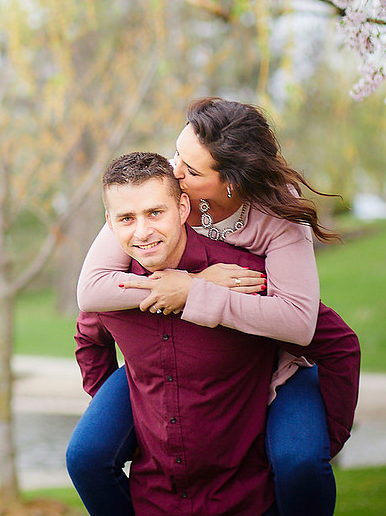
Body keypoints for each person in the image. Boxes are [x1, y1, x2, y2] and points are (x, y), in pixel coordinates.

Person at [68, 97, 360, 516]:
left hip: (268, 348)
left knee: (299, 460)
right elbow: (91, 295)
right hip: (160, 361)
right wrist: (184, 284)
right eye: (177, 153)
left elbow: (301, 323)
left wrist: (194, 292)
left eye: (191, 169)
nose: (173, 171)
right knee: (86, 456)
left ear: (230, 183)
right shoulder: (154, 205)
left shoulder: (276, 214)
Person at [73, 151, 279, 515]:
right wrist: (119, 411)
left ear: (183, 208)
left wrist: (325, 439)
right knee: (84, 458)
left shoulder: (240, 274)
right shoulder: (109, 290)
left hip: (243, 498)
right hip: (155, 497)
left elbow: (326, 337)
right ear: (110, 223)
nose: (142, 231)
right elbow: (89, 339)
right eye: (126, 218)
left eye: (155, 212)